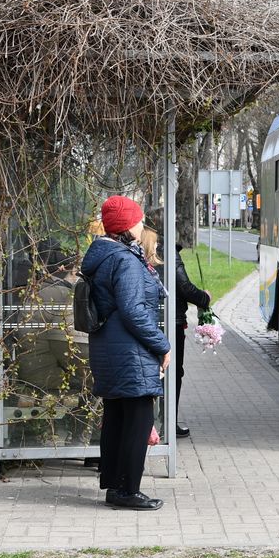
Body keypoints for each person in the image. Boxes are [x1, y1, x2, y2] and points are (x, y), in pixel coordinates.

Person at [80, 195, 170, 511]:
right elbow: (133, 311)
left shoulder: (104, 256)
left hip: (110, 348)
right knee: (138, 419)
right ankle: (128, 489)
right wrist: (162, 345)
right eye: (137, 220)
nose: (141, 225)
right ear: (126, 226)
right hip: (130, 352)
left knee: (117, 416)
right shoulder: (125, 260)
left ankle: (114, 486)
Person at [139, 227, 210, 439]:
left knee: (149, 371)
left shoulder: (137, 250)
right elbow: (184, 288)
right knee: (172, 373)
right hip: (171, 323)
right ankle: (167, 423)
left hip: (147, 322)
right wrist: (205, 298)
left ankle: (150, 423)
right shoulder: (168, 252)